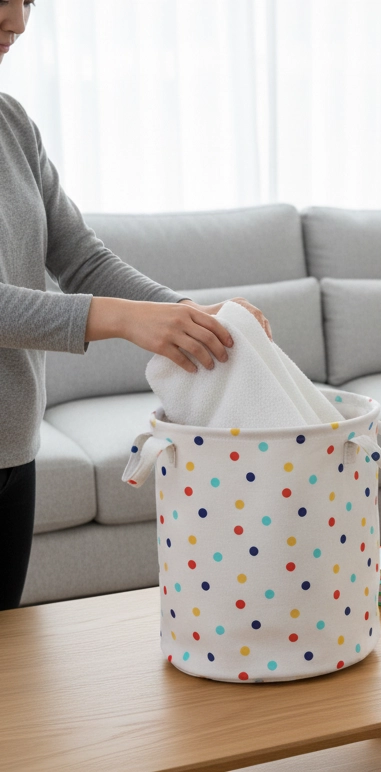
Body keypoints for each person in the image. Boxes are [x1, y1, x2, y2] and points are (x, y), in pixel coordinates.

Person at [0, 0, 271, 610]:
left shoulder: (12, 125)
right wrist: (121, 318)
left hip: (13, 447)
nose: (16, 20)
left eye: (25, 2)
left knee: (8, 655)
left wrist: (188, 315)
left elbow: (81, 258)